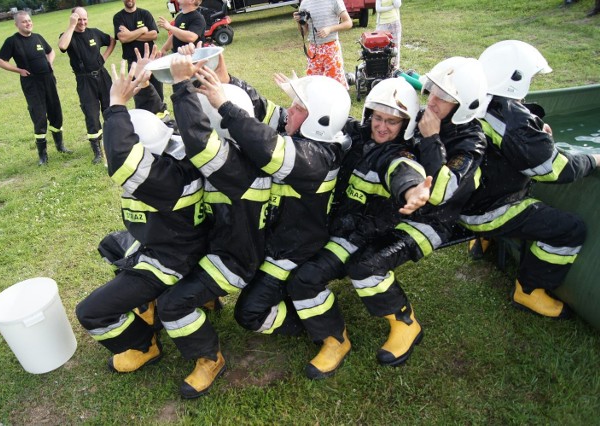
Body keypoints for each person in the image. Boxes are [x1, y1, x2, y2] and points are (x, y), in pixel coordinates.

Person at [336, 57, 487, 369]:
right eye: (433, 92)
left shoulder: (469, 143)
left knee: (365, 267)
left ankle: (405, 323)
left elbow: (443, 195)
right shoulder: (433, 113)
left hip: (432, 222)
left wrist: (432, 140)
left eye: (444, 99)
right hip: (398, 206)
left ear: (464, 105)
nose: (432, 101)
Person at [144, 53, 271, 399]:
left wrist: (183, 86)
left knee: (172, 305)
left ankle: (208, 358)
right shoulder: (247, 146)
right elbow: (175, 131)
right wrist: (148, 86)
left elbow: (198, 141)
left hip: (235, 259)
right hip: (218, 243)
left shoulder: (232, 164)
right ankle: (209, 298)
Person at [286, 77, 431, 379]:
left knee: (310, 278)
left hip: (364, 235)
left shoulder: (398, 154)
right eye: (378, 117)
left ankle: (388, 327)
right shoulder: (356, 133)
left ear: (405, 125)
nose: (382, 127)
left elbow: (403, 173)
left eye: (392, 122)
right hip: (336, 226)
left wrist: (413, 190)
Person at [196, 70, 351, 341]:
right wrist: (231, 80)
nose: (289, 111)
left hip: (293, 250)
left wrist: (226, 107)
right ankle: (295, 302)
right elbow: (268, 112)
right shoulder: (308, 135)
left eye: (299, 108)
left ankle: (327, 333)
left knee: (249, 313)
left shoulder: (317, 158)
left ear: (319, 120)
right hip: (276, 242)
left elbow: (269, 148)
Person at [75, 60, 208, 376]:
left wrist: (115, 105)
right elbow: (153, 122)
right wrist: (145, 85)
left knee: (91, 313)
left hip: (170, 259)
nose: (112, 149)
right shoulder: (170, 150)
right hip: (164, 240)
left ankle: (144, 344)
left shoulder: (161, 179)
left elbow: (123, 158)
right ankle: (149, 304)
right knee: (111, 246)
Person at [459, 40, 600, 319]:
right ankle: (529, 290)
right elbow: (556, 169)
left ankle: (482, 240)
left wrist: (534, 130)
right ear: (516, 78)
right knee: (569, 230)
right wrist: (595, 159)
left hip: (463, 202)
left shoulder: (472, 99)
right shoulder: (513, 121)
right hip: (488, 210)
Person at [0, 11, 71, 166]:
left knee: (56, 113)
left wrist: (50, 62)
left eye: (29, 20)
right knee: (39, 117)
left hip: (48, 81)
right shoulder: (12, 42)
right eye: (24, 22)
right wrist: (19, 70)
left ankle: (60, 146)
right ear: (17, 24)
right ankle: (43, 156)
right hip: (32, 84)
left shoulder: (38, 37)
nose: (28, 23)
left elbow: (51, 51)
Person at [58, 7, 116, 164]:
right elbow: (62, 46)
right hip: (84, 80)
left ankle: (115, 140)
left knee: (110, 109)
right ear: (73, 19)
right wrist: (71, 25)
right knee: (91, 114)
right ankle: (97, 150)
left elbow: (111, 40)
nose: (82, 22)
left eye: (85, 19)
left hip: (102, 76)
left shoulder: (94, 32)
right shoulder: (68, 35)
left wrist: (103, 57)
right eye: (79, 19)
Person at [113, 0, 167, 116]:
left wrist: (130, 34)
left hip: (151, 62)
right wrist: (142, 30)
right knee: (140, 95)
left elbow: (154, 35)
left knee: (157, 94)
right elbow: (123, 38)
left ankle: (162, 120)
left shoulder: (145, 14)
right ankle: (145, 119)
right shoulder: (118, 17)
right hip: (134, 64)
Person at [294, 0, 352, 89]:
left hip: (331, 47)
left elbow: (348, 22)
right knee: (313, 84)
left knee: (336, 84)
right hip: (313, 50)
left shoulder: (334, 1)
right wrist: (299, 21)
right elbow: (304, 31)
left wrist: (330, 29)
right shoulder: (305, 3)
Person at [375, 0, 402, 69]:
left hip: (394, 22)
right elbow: (378, 9)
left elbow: (397, 4)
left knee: (395, 46)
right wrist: (391, 7)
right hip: (382, 23)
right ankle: (382, 67)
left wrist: (392, 6)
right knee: (380, 46)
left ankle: (395, 67)